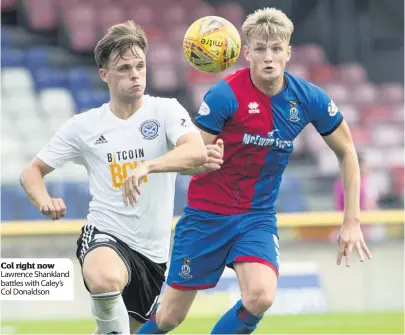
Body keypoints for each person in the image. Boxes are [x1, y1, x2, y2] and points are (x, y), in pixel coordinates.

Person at [138, 7, 372, 335]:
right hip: (206, 216)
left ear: (288, 52)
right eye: (260, 49)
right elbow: (190, 160)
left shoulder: (308, 99)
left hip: (256, 218)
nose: (268, 57)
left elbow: (347, 152)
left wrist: (352, 221)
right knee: (169, 319)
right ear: (246, 52)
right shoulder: (224, 94)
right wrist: (202, 160)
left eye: (276, 49)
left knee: (261, 296)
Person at [19, 20, 218, 335]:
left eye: (140, 66)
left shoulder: (165, 110)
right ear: (104, 74)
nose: (135, 74)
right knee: (105, 279)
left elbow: (195, 152)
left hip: (152, 254)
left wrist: (147, 166)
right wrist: (43, 200)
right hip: (105, 233)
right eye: (124, 68)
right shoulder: (84, 125)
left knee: (116, 331)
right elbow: (32, 172)